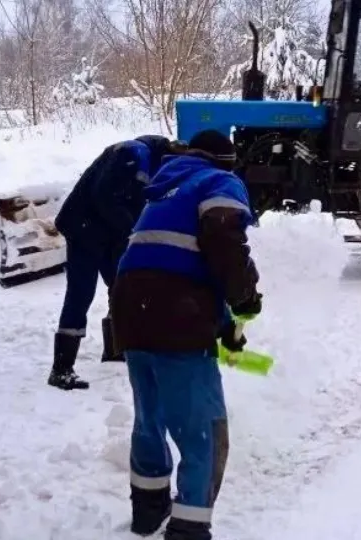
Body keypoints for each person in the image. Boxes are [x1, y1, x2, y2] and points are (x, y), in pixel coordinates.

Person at [109, 129, 263, 540]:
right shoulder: (220, 181)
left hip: (130, 306)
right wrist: (246, 298)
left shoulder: (167, 186)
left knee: (150, 416)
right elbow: (223, 244)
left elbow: (186, 260)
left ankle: (148, 509)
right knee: (203, 430)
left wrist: (228, 327)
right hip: (175, 310)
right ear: (227, 162)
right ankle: (190, 528)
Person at [48, 135, 180, 391]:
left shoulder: (150, 161)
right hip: (83, 228)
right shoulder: (131, 154)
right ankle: (61, 369)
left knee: (121, 285)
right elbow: (104, 196)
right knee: (81, 293)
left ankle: (114, 348)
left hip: (107, 230)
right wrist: (133, 227)